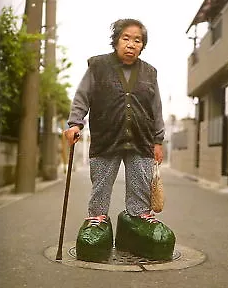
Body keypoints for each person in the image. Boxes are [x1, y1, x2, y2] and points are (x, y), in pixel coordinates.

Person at [64, 19, 174, 261]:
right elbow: (83, 96)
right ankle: (97, 218)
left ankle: (137, 217)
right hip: (107, 137)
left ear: (142, 45)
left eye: (137, 40)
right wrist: (75, 123)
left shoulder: (150, 72)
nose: (131, 44)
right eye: (126, 38)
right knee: (101, 184)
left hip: (141, 138)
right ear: (116, 40)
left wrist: (158, 141)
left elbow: (156, 109)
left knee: (140, 185)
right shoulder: (98, 66)